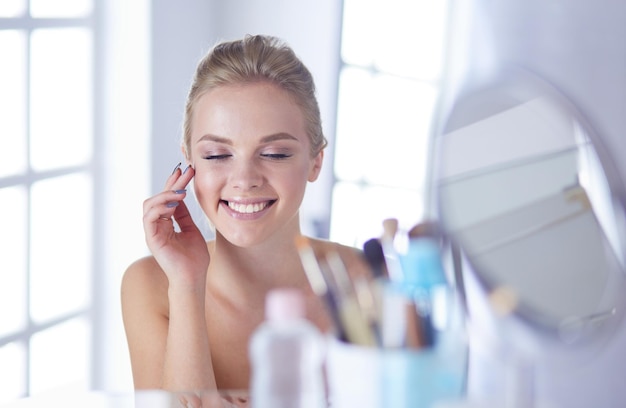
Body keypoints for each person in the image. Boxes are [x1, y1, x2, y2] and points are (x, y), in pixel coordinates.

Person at [121, 34, 366, 397]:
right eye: (218, 155)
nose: (244, 180)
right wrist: (187, 285)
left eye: (275, 153)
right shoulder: (151, 285)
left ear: (316, 161)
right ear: (189, 162)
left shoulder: (366, 282)